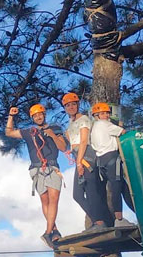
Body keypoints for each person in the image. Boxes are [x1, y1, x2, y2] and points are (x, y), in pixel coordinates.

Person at [6, 103, 68, 247]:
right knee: (45, 201)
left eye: (40, 114)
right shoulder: (29, 131)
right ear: (32, 117)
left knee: (54, 199)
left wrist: (51, 134)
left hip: (52, 166)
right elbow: (9, 132)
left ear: (44, 115)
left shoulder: (55, 128)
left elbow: (63, 147)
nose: (39, 117)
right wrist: (11, 116)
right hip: (36, 168)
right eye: (35, 115)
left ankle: (47, 232)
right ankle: (55, 231)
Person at [62, 93, 108, 231]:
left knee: (90, 190)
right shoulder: (72, 122)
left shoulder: (84, 119)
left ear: (78, 105)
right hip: (79, 156)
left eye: (73, 104)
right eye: (68, 105)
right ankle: (98, 221)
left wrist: (79, 162)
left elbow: (83, 140)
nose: (71, 107)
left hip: (86, 155)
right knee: (77, 195)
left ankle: (100, 223)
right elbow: (75, 141)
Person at [89, 102, 134, 227]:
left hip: (101, 160)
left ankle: (137, 212)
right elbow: (123, 132)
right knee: (116, 187)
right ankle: (119, 219)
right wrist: (119, 126)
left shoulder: (93, 129)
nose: (106, 116)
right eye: (103, 113)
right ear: (97, 115)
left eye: (107, 113)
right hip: (112, 157)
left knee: (123, 187)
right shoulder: (106, 124)